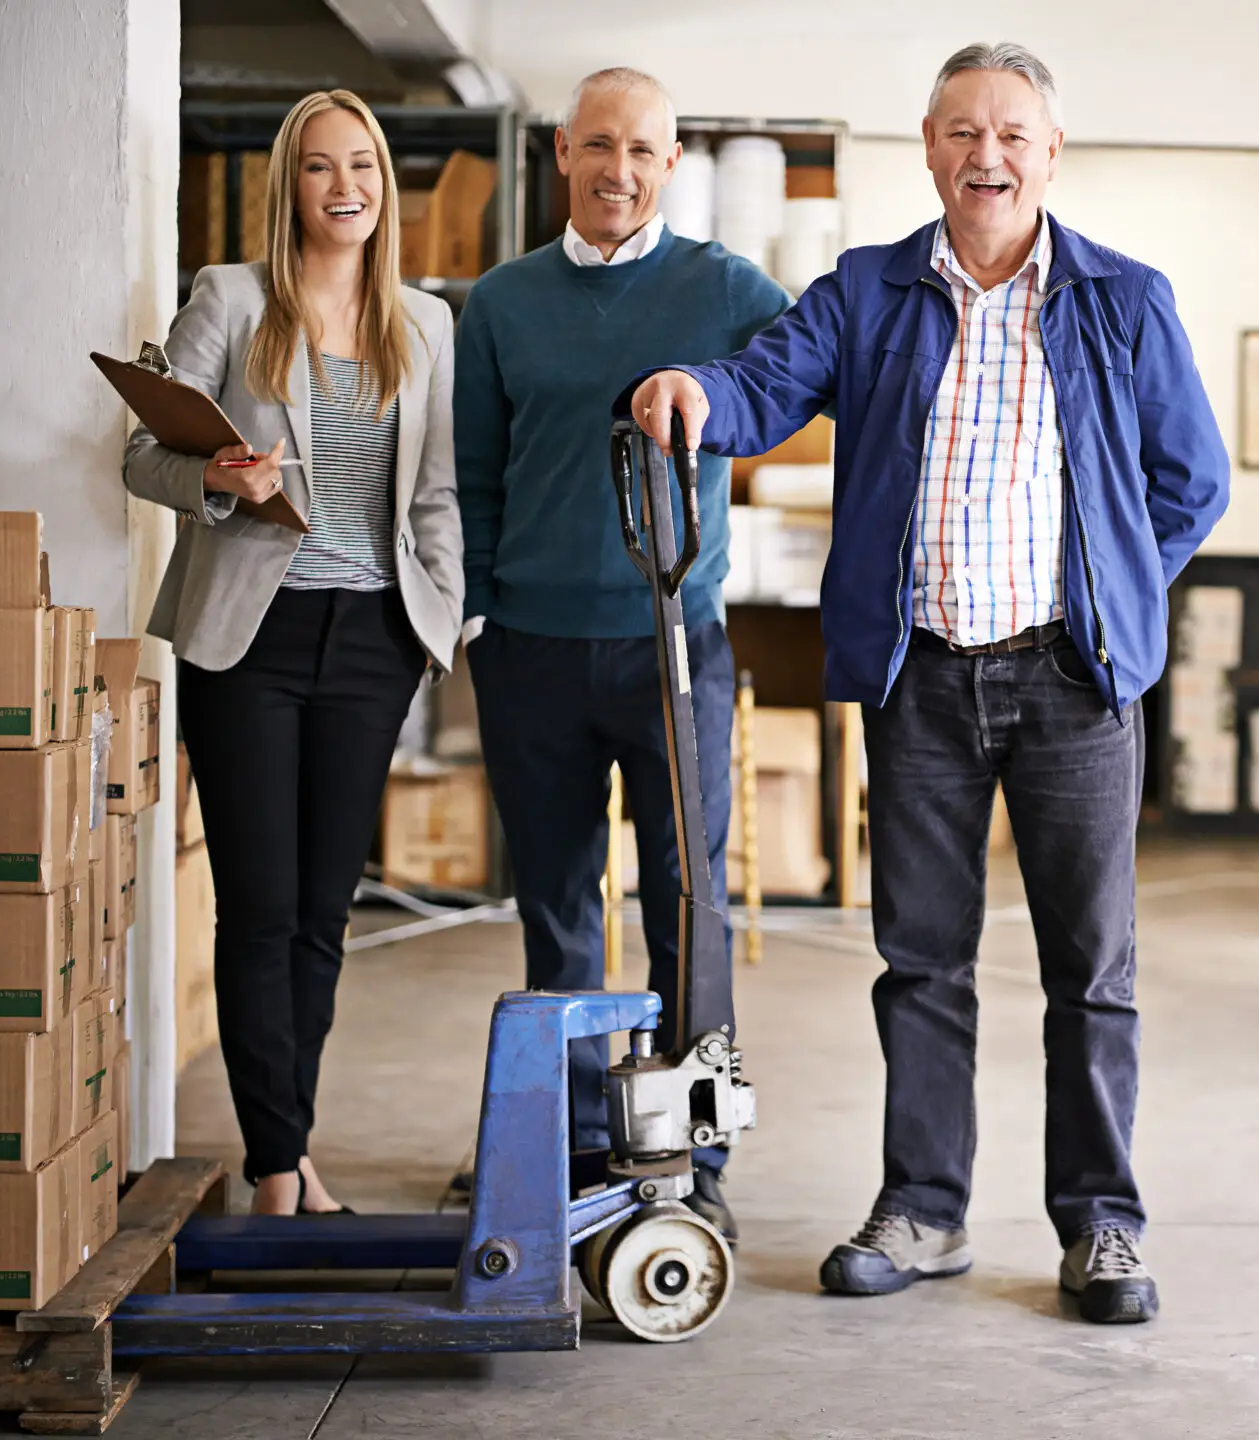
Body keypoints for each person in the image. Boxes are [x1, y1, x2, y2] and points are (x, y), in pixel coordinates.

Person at [627, 42, 1229, 1323]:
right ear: (930, 147)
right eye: (963, 132)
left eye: (1013, 133)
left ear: (1050, 153)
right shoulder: (868, 291)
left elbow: (1193, 482)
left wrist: (1113, 595)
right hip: (926, 683)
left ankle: (1103, 1224)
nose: (987, 155)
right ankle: (927, 1209)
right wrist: (694, 388)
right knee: (920, 963)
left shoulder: (1125, 298)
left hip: (1075, 682)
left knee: (1093, 970)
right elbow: (766, 383)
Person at [454, 67, 790, 1240]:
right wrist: (483, 613)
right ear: (561, 153)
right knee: (555, 910)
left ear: (674, 161)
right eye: (599, 147)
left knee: (686, 906)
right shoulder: (499, 304)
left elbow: (803, 381)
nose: (620, 172)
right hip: (533, 650)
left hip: (673, 649)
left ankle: (690, 1158)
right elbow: (476, 475)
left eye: (644, 152)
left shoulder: (730, 290)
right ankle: (577, 1144)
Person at [124, 90, 462, 1217]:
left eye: (361, 163)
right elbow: (143, 455)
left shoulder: (423, 323)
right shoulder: (229, 298)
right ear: (291, 184)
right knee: (259, 906)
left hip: (372, 641)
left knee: (326, 911)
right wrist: (218, 482)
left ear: (384, 181)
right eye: (320, 168)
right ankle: (278, 1167)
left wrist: (433, 622)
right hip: (249, 640)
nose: (345, 186)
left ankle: (290, 1144)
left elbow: (435, 498)